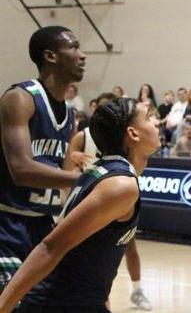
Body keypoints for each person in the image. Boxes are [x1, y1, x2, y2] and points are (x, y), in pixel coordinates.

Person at [0, 98, 160, 312]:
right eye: (149, 118)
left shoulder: (106, 171)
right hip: (57, 304)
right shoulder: (120, 185)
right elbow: (50, 247)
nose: (157, 123)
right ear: (133, 134)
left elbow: (93, 258)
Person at [0, 26, 86, 290]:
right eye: (73, 47)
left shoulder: (70, 115)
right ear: (50, 56)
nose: (82, 55)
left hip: (42, 225)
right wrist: (85, 180)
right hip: (7, 224)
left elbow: (59, 178)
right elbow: (21, 169)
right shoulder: (20, 98)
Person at [62, 94, 153, 311]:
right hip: (94, 201)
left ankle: (137, 290)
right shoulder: (85, 138)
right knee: (87, 263)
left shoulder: (124, 175)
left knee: (120, 253)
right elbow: (48, 248)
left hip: (108, 198)